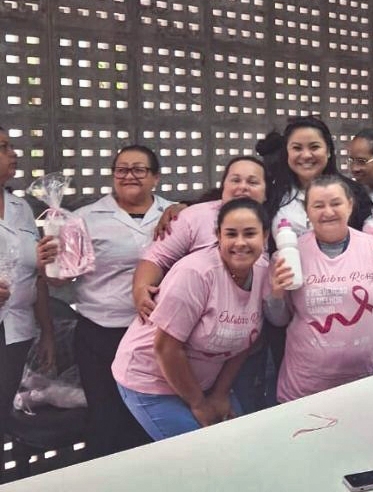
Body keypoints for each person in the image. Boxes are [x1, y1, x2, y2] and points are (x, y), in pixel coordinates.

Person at [36, 145, 172, 458]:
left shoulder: (175, 214)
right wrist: (48, 264)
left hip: (157, 335)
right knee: (107, 419)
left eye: (139, 169)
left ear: (156, 177)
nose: (129, 176)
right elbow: (61, 279)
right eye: (121, 170)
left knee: (151, 416)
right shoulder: (84, 219)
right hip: (102, 334)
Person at [113, 198, 275, 441]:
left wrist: (220, 393)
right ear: (217, 236)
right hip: (152, 380)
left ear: (265, 236)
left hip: (204, 383)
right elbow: (166, 349)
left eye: (250, 233)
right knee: (205, 452)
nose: (240, 242)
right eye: (231, 234)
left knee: (240, 443)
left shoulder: (262, 270)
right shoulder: (195, 274)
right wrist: (199, 403)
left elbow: (244, 339)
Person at [131, 156, 270, 414]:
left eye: (253, 182)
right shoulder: (194, 217)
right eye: (235, 180)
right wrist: (141, 289)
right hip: (181, 343)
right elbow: (156, 257)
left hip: (237, 343)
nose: (243, 186)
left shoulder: (271, 226)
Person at [268, 176, 373, 402]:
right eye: (318, 205)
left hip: (364, 382)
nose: (328, 212)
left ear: (350, 205)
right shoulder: (288, 255)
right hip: (304, 386)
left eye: (336, 203)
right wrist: (276, 294)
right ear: (307, 211)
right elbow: (278, 320)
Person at [0, 126, 55, 440]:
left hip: (15, 333)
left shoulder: (20, 208)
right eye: (3, 147)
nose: (13, 154)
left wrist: (46, 331)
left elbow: (35, 276)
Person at [269, 116, 373, 236]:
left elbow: (369, 239)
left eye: (314, 147)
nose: (306, 155)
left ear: (328, 151)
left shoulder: (355, 193)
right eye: (297, 148)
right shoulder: (273, 196)